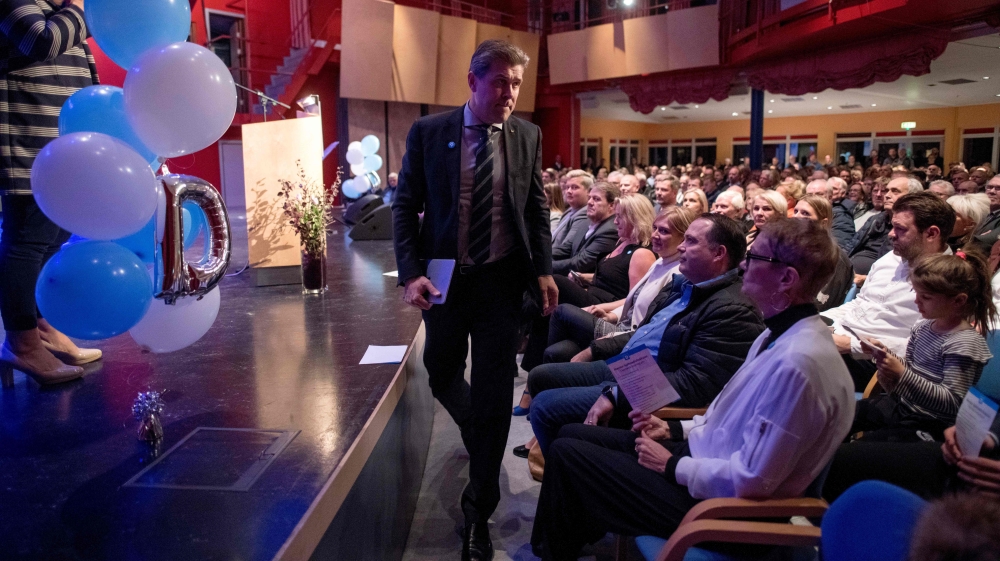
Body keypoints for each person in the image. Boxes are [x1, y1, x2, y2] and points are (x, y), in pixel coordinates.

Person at [530, 219, 855, 561]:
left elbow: (753, 481)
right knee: (572, 434)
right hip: (704, 466)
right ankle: (562, 542)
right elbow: (729, 420)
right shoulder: (777, 334)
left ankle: (554, 550)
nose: (743, 264)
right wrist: (672, 428)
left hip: (727, 512)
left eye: (756, 258)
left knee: (570, 456)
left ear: (787, 279)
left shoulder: (799, 364)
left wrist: (671, 465)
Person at [391, 39, 557, 561]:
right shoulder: (429, 132)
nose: (510, 94)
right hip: (446, 279)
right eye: (501, 82)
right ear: (473, 81)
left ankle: (476, 513)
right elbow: (404, 209)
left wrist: (544, 272)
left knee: (492, 394)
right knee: (440, 369)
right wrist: (411, 274)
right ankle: (481, 431)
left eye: (516, 85)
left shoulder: (525, 135)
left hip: (501, 285)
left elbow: (535, 210)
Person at [527, 214, 764, 456]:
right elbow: (641, 334)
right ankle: (568, 458)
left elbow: (694, 383)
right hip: (630, 365)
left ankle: (571, 463)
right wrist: (595, 349)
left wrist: (617, 394)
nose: (682, 246)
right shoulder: (684, 284)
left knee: (544, 408)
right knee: (540, 376)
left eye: (691, 241)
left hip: (648, 381)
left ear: (718, 253)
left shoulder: (732, 310)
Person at [0, 0, 103, 385]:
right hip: (29, 132)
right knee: (28, 236)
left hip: (61, 132)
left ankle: (41, 328)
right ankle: (21, 343)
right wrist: (79, 7)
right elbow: (39, 39)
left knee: (55, 234)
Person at [512, 207, 693, 417]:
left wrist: (599, 344)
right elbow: (633, 302)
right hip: (620, 326)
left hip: (628, 341)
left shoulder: (674, 272)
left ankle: (528, 382)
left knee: (559, 304)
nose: (655, 235)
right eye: (655, 228)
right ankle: (538, 400)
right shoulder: (660, 261)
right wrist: (610, 314)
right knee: (556, 351)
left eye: (664, 231)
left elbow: (645, 326)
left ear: (683, 237)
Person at [850, 251, 994, 442]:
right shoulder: (923, 326)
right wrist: (886, 357)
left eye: (925, 297)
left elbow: (951, 403)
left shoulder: (964, 343)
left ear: (958, 301)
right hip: (902, 405)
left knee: (863, 448)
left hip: (931, 424)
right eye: (915, 293)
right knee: (838, 416)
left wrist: (901, 373)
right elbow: (911, 370)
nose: (916, 301)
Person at [824, 192, 956, 391]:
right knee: (777, 332)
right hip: (841, 335)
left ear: (931, 234)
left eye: (900, 229)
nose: (891, 234)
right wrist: (817, 320)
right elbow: (860, 304)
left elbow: (920, 347)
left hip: (875, 362)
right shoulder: (890, 259)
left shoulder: (948, 282)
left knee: (792, 361)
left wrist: (848, 344)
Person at [522, 194, 656, 371]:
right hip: (591, 294)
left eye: (619, 217)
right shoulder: (621, 243)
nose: (615, 222)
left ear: (636, 218)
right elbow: (611, 277)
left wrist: (603, 308)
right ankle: (535, 371)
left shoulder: (642, 254)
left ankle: (517, 327)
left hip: (602, 306)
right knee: (546, 310)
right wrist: (583, 277)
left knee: (554, 282)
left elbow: (633, 299)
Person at [848, 177, 922, 279]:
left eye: (895, 191)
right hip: (850, 271)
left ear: (912, 197)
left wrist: (866, 279)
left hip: (874, 280)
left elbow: (899, 270)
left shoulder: (915, 227)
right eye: (887, 191)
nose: (887, 195)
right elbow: (851, 245)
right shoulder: (875, 219)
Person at [793, 195, 853, 311]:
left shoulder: (835, 259)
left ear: (823, 223)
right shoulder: (791, 248)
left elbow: (820, 304)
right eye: (795, 211)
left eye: (805, 213)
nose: (796, 216)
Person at [551, 182, 619, 275]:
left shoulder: (610, 231)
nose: (589, 202)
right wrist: (539, 256)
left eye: (596, 199)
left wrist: (545, 267)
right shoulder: (585, 222)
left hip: (586, 284)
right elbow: (566, 249)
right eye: (589, 198)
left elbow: (581, 263)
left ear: (611, 205)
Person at [550, 170, 592, 249]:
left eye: (574, 187)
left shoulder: (585, 214)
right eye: (567, 187)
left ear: (589, 191)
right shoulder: (569, 210)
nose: (568, 191)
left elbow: (566, 248)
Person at [972, 176, 1000, 254]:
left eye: (998, 188)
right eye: (989, 187)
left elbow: (985, 242)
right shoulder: (977, 210)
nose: (992, 191)